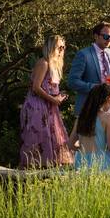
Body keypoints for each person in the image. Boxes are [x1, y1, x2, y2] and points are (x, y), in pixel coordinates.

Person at [19, 35, 74, 168]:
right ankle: (29, 169)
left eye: (63, 47)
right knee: (36, 138)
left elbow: (49, 88)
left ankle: (47, 170)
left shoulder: (55, 66)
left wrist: (58, 96)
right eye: (59, 47)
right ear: (51, 47)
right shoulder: (44, 63)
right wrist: (54, 100)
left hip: (49, 106)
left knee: (51, 138)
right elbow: (36, 88)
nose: (61, 50)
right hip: (36, 106)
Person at [68, 22, 110, 119]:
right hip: (87, 108)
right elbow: (72, 82)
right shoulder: (83, 54)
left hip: (106, 107)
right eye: (105, 36)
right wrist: (95, 88)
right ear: (96, 36)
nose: (109, 40)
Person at [74, 83, 110, 170]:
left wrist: (84, 150)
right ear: (107, 99)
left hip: (80, 161)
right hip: (100, 162)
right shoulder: (109, 117)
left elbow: (70, 145)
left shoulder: (80, 118)